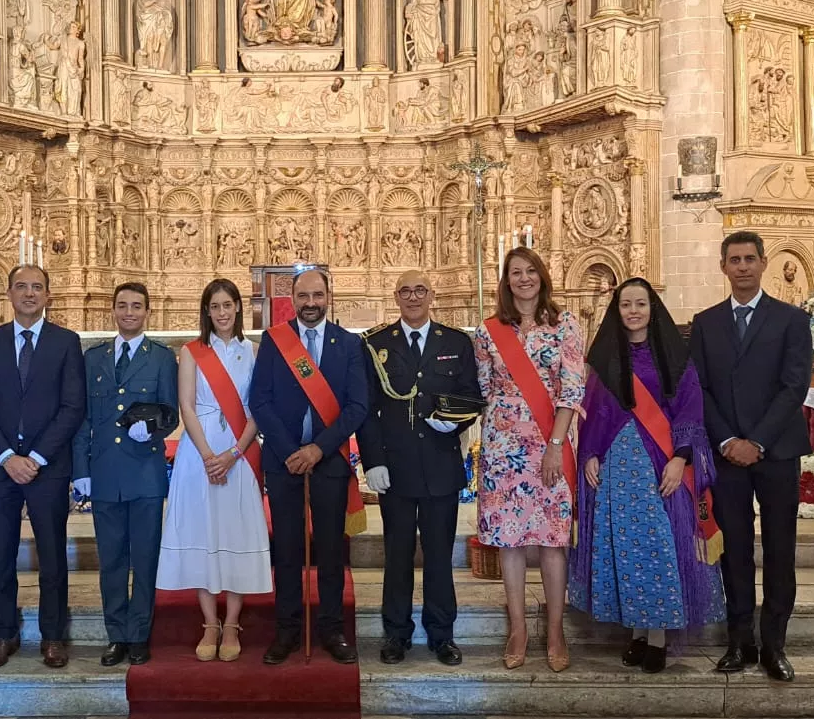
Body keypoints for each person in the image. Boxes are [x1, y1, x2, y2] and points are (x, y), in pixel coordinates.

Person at [569, 278, 726, 674]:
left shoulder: (674, 355)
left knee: (657, 545)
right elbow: (595, 410)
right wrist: (589, 453)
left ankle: (657, 637)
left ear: (652, 308)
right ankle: (637, 633)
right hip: (616, 468)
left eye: (641, 303)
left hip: (659, 465)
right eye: (626, 305)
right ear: (616, 310)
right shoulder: (604, 355)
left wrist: (681, 458)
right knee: (624, 548)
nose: (634, 311)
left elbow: (690, 407)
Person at [690, 231, 814, 683]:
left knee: (781, 550)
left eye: (749, 259)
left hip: (777, 451)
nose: (742, 266)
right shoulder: (705, 323)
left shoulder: (791, 320)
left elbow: (793, 387)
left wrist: (756, 441)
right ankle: (739, 641)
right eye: (734, 260)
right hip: (726, 456)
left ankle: (775, 644)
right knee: (735, 551)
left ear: (763, 264)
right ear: (723, 267)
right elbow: (698, 388)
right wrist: (726, 441)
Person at [358, 270, 480, 666]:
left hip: (441, 467)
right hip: (395, 469)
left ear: (432, 295)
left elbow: (470, 396)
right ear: (396, 297)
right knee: (396, 556)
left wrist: (456, 421)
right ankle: (396, 634)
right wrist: (373, 460)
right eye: (406, 291)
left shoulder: (457, 342)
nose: (413, 297)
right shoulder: (376, 344)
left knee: (440, 556)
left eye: (420, 290)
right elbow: (367, 410)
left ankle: (442, 635)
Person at [474, 247, 586, 672]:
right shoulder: (489, 332)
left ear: (542, 276)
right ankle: (518, 627)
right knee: (510, 544)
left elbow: (571, 389)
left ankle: (555, 629)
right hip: (503, 450)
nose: (523, 279)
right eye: (515, 273)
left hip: (550, 444)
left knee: (553, 543)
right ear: (506, 280)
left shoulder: (565, 326)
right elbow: (482, 390)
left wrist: (555, 445)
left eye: (530, 271)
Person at [250, 268, 369, 666]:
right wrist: (289, 452)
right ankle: (286, 629)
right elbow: (260, 401)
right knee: (285, 548)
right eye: (303, 296)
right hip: (285, 463)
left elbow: (357, 406)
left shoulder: (348, 344)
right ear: (293, 299)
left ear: (328, 296)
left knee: (332, 550)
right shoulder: (274, 341)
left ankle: (332, 629)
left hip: (329, 460)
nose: (311, 303)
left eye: (317, 295)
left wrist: (318, 449)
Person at [0, 264, 86, 669]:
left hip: (47, 467)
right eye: (21, 286)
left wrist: (35, 458)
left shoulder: (66, 342)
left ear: (48, 295)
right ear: (9, 293)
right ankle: (4, 634)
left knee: (53, 555)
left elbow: (73, 407)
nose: (29, 293)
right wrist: (7, 456)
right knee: (0, 555)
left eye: (38, 286)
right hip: (0, 467)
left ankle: (53, 636)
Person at [158, 279, 272, 662]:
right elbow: (186, 406)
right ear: (207, 311)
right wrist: (209, 456)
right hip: (198, 455)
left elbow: (258, 409)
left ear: (238, 307)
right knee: (203, 529)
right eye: (215, 307)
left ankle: (234, 621)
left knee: (235, 530)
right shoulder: (192, 352)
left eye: (228, 305)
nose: (222, 313)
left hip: (239, 454)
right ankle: (210, 621)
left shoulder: (253, 352)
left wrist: (234, 454)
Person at [73, 282, 179, 667]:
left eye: (137, 306)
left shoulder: (162, 359)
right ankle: (116, 634)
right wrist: (80, 470)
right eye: (122, 306)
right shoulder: (94, 358)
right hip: (103, 474)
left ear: (147, 312)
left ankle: (139, 634)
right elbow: (82, 418)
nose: (129, 312)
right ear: (113, 311)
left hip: (145, 474)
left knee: (145, 557)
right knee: (112, 560)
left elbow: (171, 412)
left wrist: (152, 428)